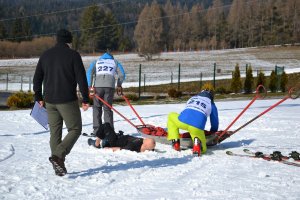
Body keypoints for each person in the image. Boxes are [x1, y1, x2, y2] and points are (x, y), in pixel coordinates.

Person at [33, 29, 89, 176]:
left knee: (55, 133)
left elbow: (37, 78)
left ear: (57, 40)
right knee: (75, 129)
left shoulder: (45, 55)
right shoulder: (73, 55)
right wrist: (86, 99)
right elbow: (81, 79)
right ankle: (58, 156)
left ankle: (58, 165)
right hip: (67, 100)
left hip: (49, 101)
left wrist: (38, 96)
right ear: (69, 41)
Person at [167, 89, 219, 156]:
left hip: (183, 121)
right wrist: (213, 133)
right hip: (196, 127)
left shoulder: (192, 98)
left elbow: (188, 110)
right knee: (203, 149)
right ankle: (197, 144)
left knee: (171, 116)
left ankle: (175, 141)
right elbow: (214, 121)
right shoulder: (211, 104)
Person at [86, 51, 126, 134]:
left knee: (97, 108)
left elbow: (89, 72)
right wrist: (119, 84)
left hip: (98, 87)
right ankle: (109, 131)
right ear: (111, 57)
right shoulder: (115, 62)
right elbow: (122, 74)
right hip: (109, 87)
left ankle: (97, 131)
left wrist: (90, 85)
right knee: (107, 108)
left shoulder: (96, 62)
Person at [88, 123, 156, 153]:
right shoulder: (143, 143)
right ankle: (102, 138)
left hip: (114, 142)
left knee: (106, 125)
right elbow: (151, 147)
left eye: (147, 139)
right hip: (119, 138)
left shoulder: (133, 147)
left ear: (146, 145)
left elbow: (120, 149)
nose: (145, 138)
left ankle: (96, 144)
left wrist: (109, 149)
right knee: (107, 130)